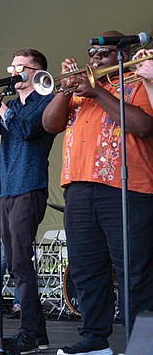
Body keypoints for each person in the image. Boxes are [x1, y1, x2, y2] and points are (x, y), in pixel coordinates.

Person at [42, 31, 153, 355]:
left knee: (136, 272)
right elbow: (50, 124)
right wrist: (65, 91)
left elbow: (143, 125)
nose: (95, 60)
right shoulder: (80, 90)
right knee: (86, 269)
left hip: (127, 189)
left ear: (124, 53)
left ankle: (143, 344)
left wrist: (96, 91)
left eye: (103, 54)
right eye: (93, 54)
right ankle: (94, 338)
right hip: (78, 189)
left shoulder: (139, 81)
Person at [0, 48, 55, 353]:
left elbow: (23, 130)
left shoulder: (44, 102)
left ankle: (29, 333)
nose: (14, 71)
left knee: (20, 261)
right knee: (15, 262)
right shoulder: (8, 105)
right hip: (7, 190)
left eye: (21, 67)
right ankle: (40, 334)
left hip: (29, 187)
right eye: (12, 66)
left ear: (35, 72)